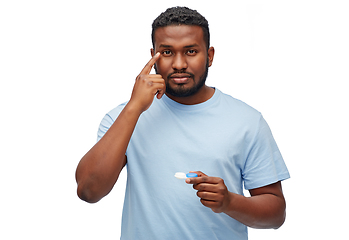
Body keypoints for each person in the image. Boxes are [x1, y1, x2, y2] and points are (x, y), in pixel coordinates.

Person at [75, 6, 290, 239]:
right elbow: (89, 190)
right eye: (167, 52)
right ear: (153, 56)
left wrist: (229, 202)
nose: (179, 64)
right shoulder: (125, 117)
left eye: (190, 51)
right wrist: (134, 107)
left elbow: (276, 214)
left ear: (209, 56)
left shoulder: (247, 121)